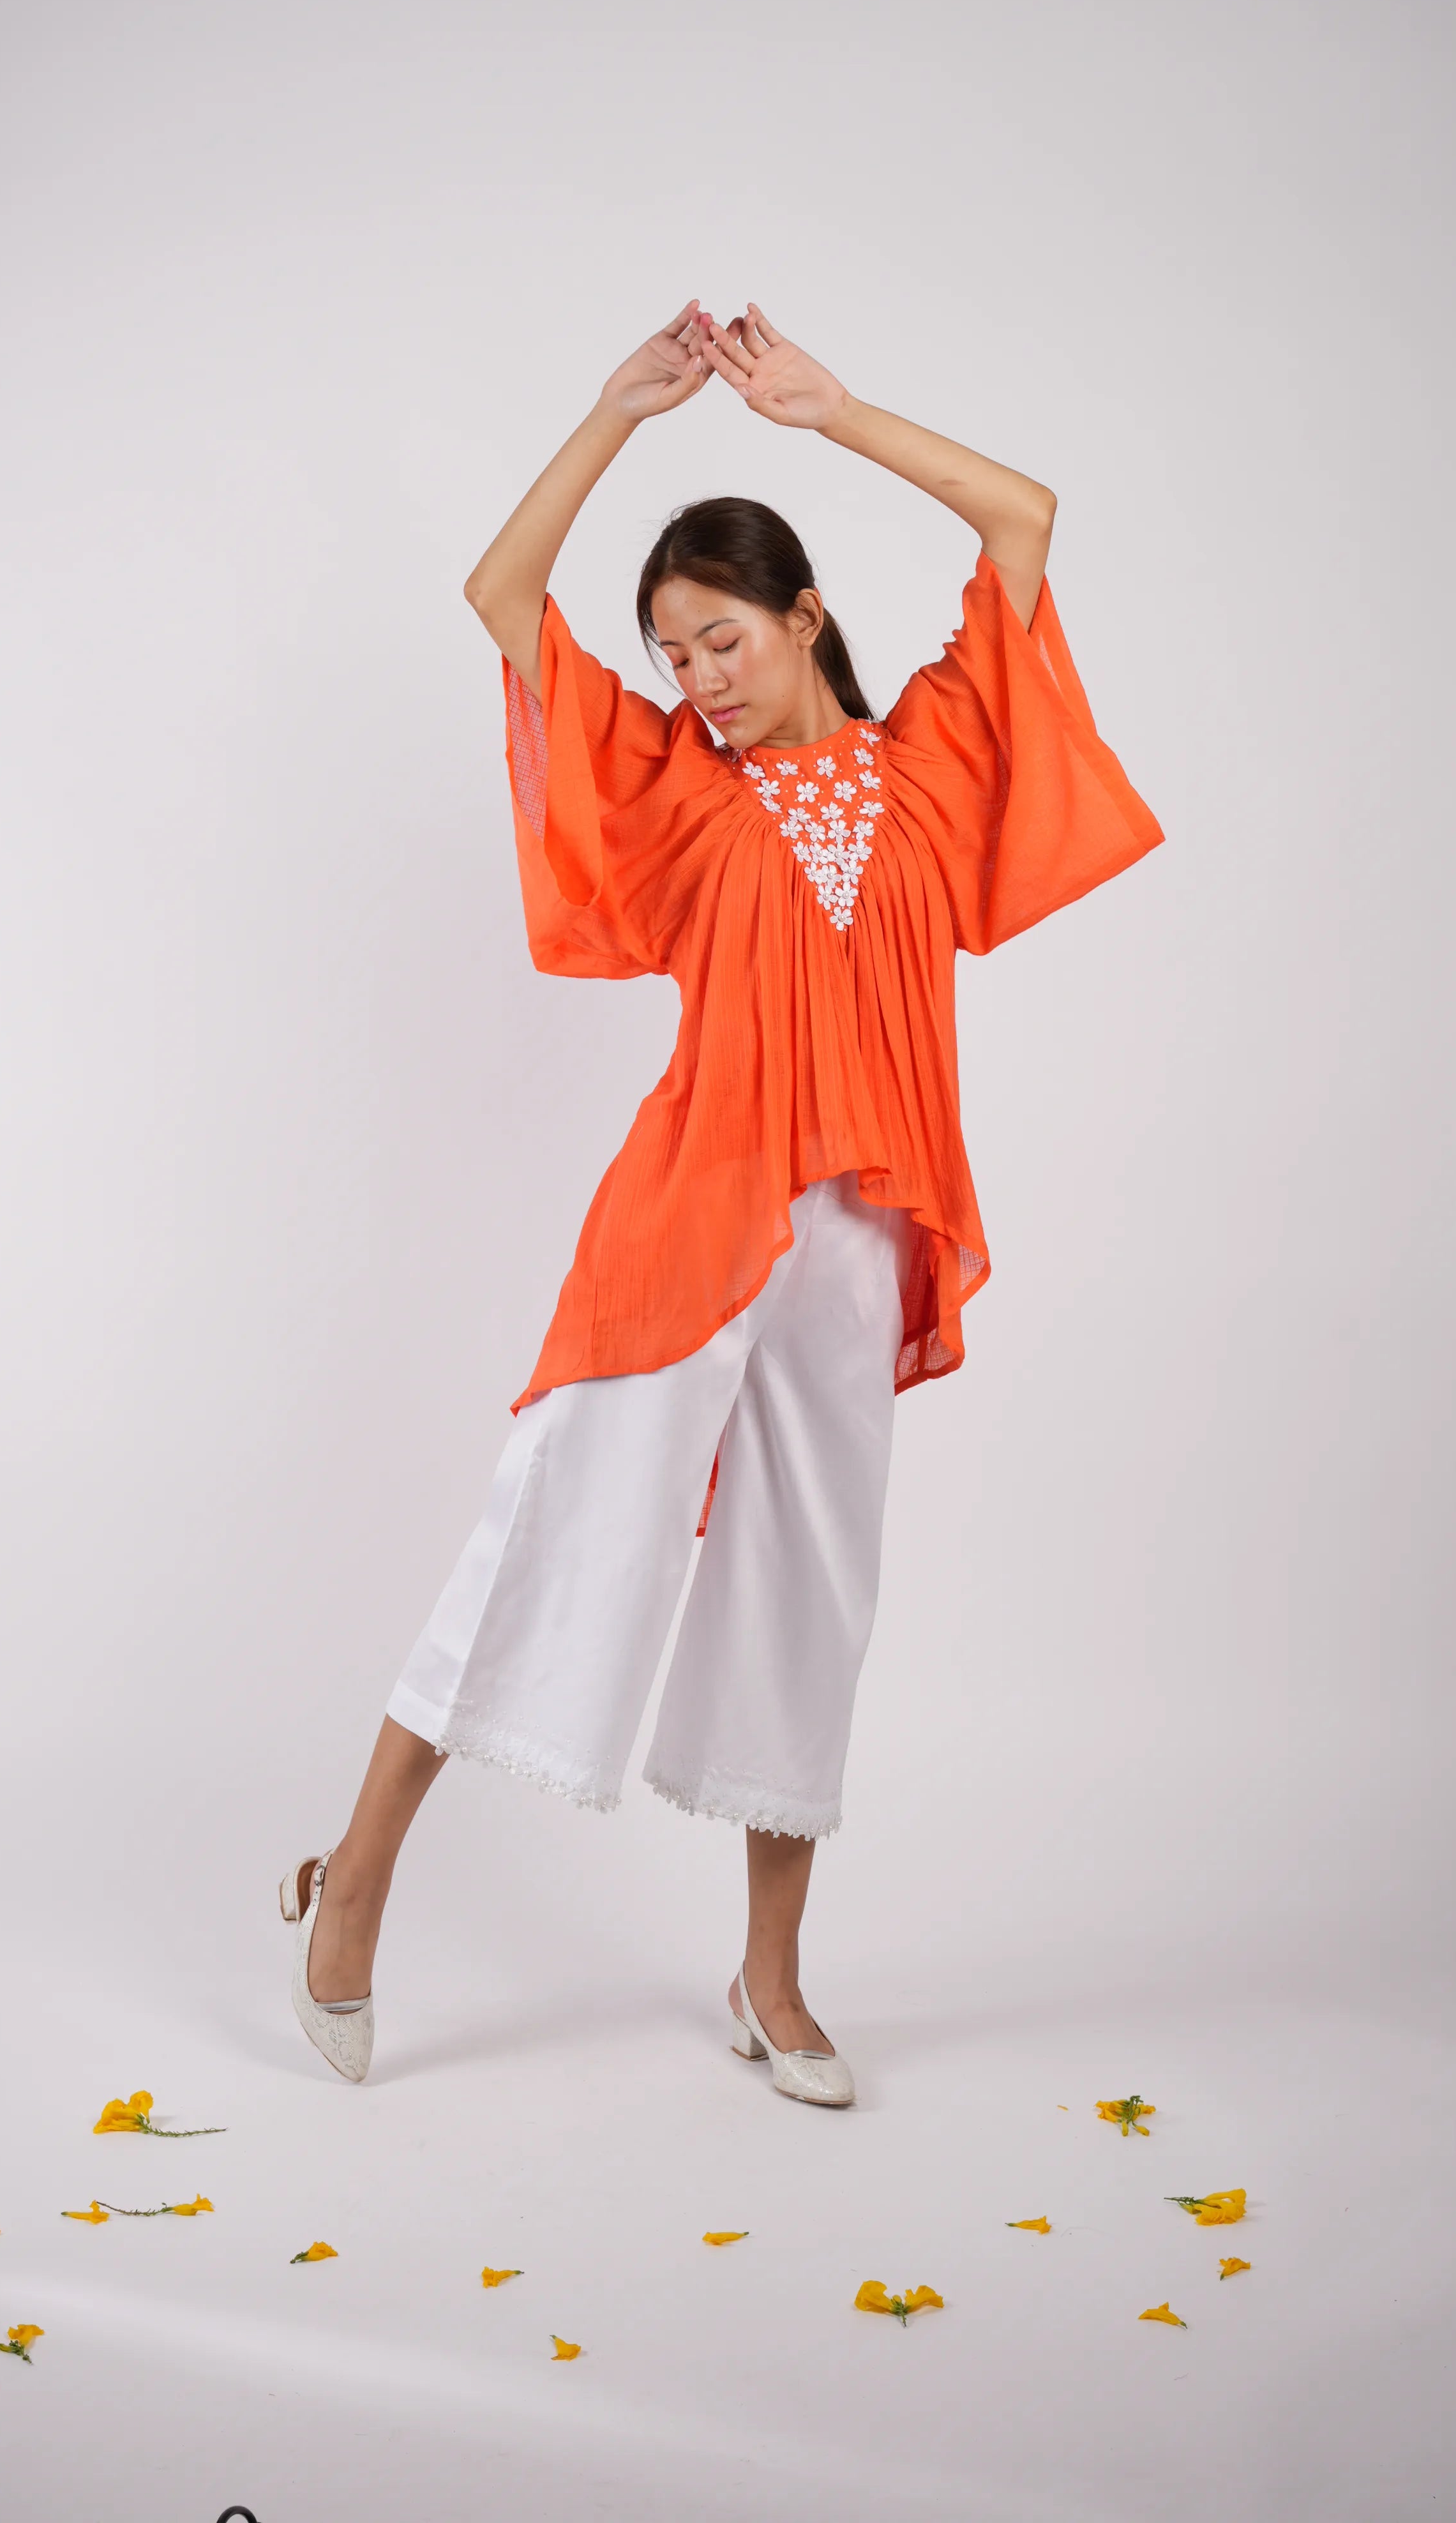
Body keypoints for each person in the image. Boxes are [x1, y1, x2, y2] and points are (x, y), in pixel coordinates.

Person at [281, 303, 1162, 2104]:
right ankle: (354, 1879)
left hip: (855, 1235)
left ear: (803, 616)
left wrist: (830, 418)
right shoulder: (676, 794)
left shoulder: (924, 763)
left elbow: (1021, 521)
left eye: (721, 637)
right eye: (673, 652)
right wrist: (614, 411)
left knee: (807, 1587)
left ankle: (770, 1979)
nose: (696, 676)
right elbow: (500, 599)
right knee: (545, 1527)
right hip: (688, 1223)